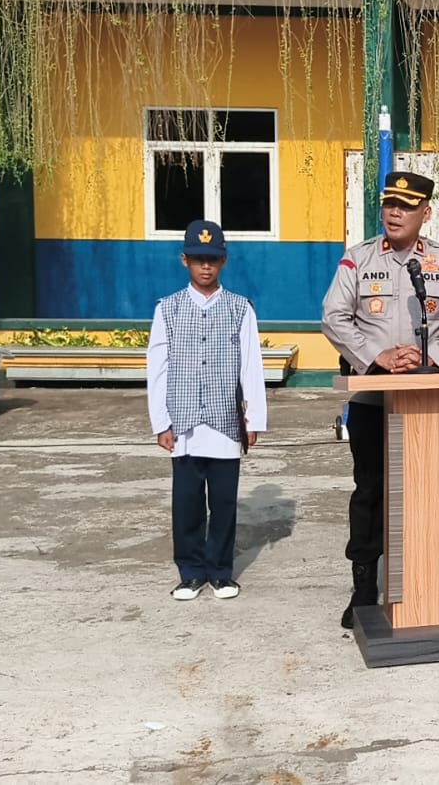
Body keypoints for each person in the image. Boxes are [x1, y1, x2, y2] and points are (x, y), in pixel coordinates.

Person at [322, 171, 439, 628]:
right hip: (371, 395)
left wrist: (430, 357)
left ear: (425, 213)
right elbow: (334, 317)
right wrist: (378, 356)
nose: (394, 213)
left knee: (423, 490)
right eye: (390, 204)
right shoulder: (358, 260)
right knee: (370, 489)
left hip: (425, 396)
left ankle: (421, 586)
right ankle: (364, 587)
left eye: (406, 207)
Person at [147, 220, 267, 601]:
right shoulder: (167, 309)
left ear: (223, 261)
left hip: (225, 423)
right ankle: (191, 572)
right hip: (183, 424)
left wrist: (254, 418)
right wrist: (160, 421)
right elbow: (157, 368)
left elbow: (251, 366)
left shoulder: (240, 309)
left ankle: (220, 572)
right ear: (184, 260)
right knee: (186, 503)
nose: (205, 266)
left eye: (212, 260)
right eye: (198, 259)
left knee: (224, 502)